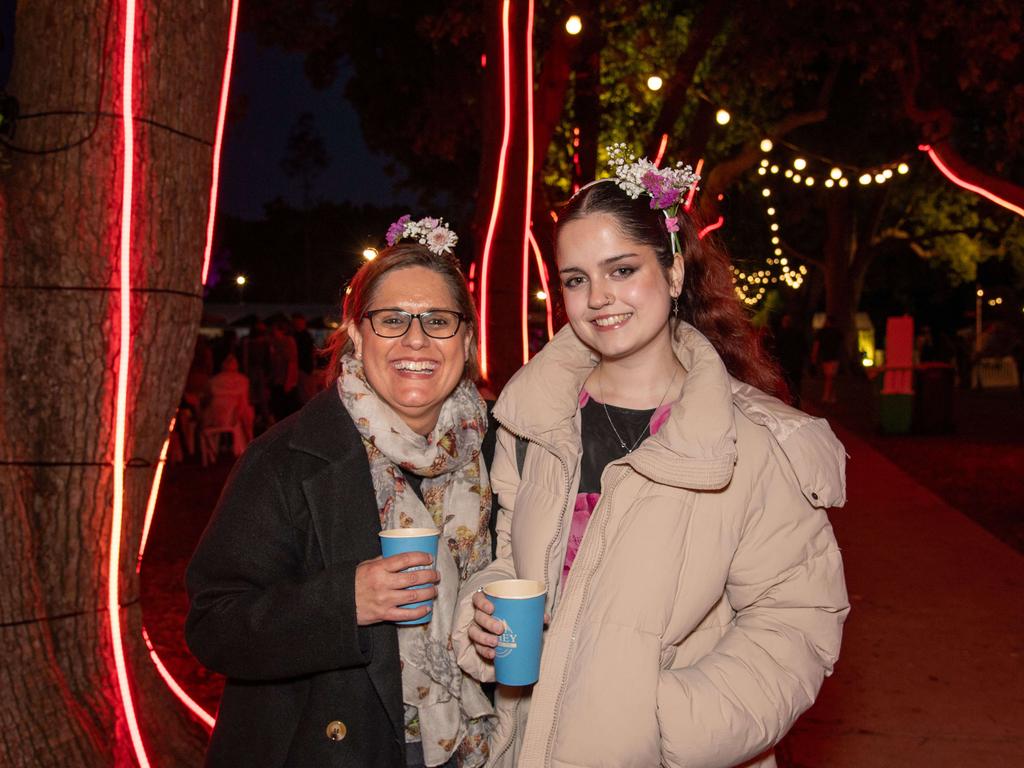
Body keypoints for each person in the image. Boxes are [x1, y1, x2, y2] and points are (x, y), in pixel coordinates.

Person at [453, 145, 849, 768]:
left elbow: (794, 621)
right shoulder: (534, 422)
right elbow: (511, 560)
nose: (599, 298)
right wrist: (486, 610)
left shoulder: (750, 443)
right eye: (576, 279)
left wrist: (666, 723)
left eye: (621, 269)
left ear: (672, 274)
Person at [186, 216, 494, 768]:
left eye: (438, 321)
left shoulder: (500, 451)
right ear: (356, 334)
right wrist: (343, 603)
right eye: (392, 319)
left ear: (466, 338)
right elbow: (215, 625)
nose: (416, 339)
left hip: (475, 747)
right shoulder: (288, 458)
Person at [202, 353, 255, 443]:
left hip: (214, 419)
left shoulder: (213, 381)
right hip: (233, 418)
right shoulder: (243, 381)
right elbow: (245, 402)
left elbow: (206, 400)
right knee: (248, 411)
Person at [811, 314, 843, 404]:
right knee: (831, 377)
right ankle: (831, 395)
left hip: (827, 357)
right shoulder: (837, 332)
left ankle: (827, 395)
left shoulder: (823, 332)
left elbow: (816, 345)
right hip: (833, 357)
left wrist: (814, 356)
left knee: (829, 377)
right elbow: (841, 347)